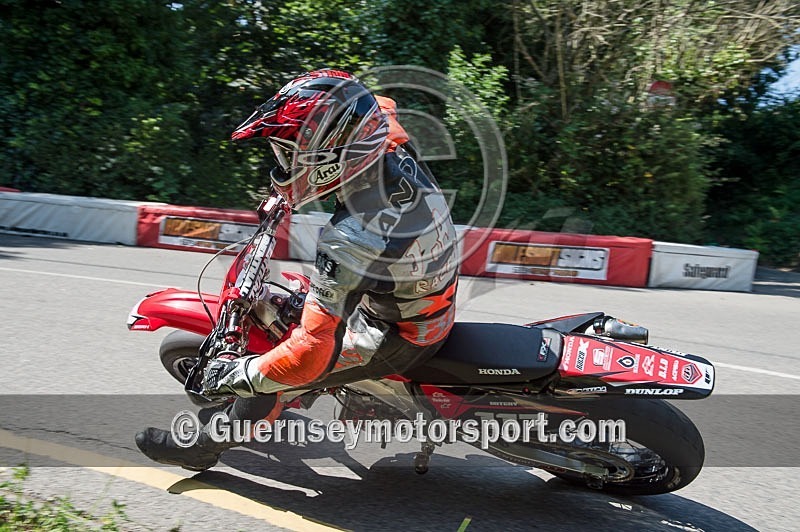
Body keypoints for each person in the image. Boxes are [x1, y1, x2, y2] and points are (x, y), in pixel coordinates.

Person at [136, 69, 459, 470]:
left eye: (290, 154)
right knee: (301, 299)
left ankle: (201, 450)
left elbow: (308, 354)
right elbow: (370, 104)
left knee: (275, 376)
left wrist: (242, 372)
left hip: (400, 333)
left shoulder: (354, 237)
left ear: (332, 153)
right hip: (418, 293)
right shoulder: (382, 135)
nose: (282, 164)